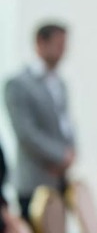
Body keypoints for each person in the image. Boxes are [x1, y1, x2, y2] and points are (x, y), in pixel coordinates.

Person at [4, 23, 75, 225]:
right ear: (40, 43)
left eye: (64, 45)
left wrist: (71, 152)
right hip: (34, 179)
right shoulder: (18, 84)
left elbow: (65, 123)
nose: (62, 50)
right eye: (58, 44)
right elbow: (26, 133)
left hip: (59, 179)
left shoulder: (59, 83)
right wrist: (60, 156)